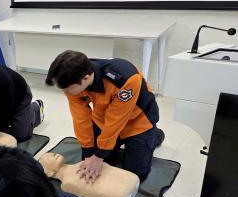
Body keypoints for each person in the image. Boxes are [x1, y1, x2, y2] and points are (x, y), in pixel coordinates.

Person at [46, 50, 164, 183]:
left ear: (85, 78)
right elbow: (81, 119)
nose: (65, 92)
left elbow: (116, 120)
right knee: (91, 164)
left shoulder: (125, 79)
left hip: (139, 122)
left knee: (134, 175)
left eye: (67, 88)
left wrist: (98, 156)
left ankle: (155, 136)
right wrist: (88, 153)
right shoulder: (72, 79)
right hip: (104, 120)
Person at [39, 152, 139, 197]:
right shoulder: (66, 185)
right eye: (46, 158)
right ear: (49, 173)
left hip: (129, 180)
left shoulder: (81, 163)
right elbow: (94, 195)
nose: (51, 154)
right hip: (120, 195)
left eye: (50, 154)